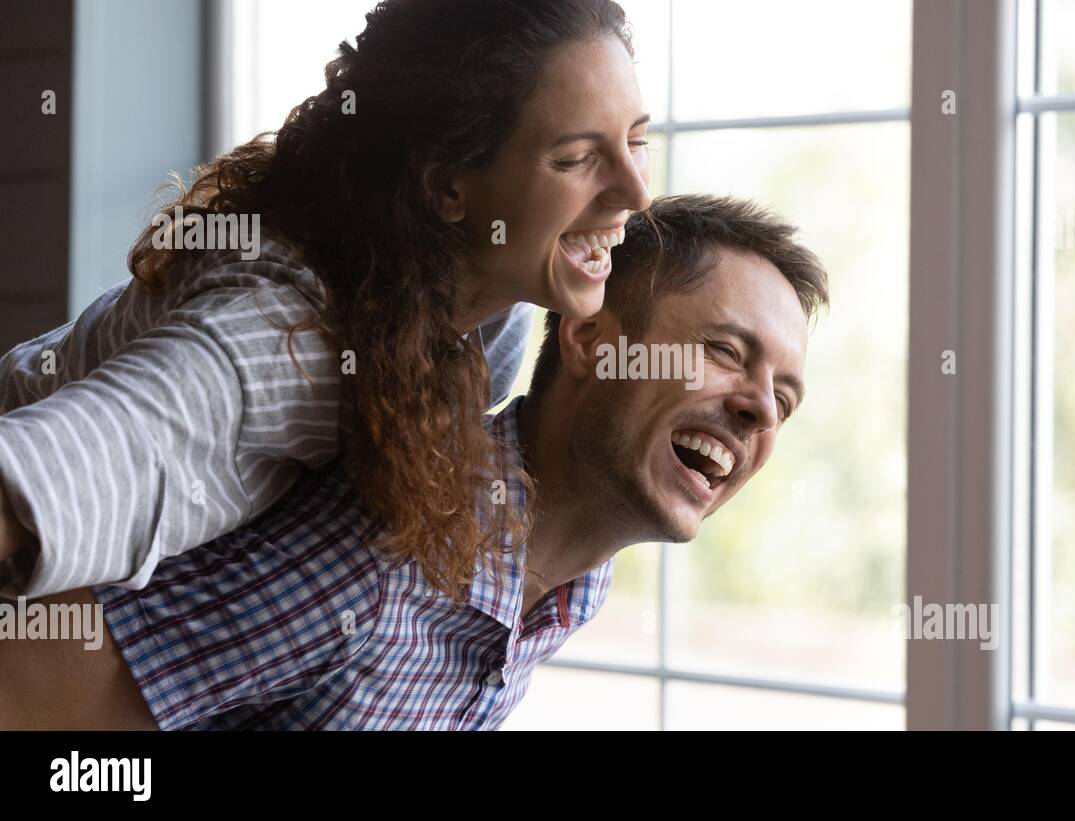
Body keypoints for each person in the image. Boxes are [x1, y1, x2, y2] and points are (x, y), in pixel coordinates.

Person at [0, 194, 830, 730]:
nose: (760, 407)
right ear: (588, 340)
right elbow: (28, 697)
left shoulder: (574, 583)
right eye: (725, 350)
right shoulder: (379, 545)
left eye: (785, 398)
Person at [0, 0, 653, 604]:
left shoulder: (495, 314)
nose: (636, 191)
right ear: (448, 187)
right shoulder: (284, 347)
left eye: (637, 142)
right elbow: (61, 466)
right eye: (576, 158)